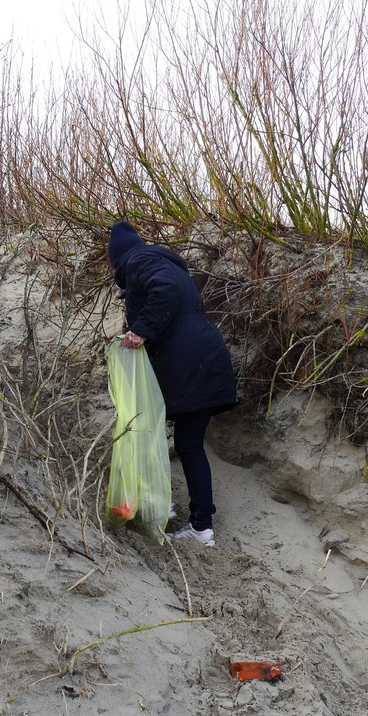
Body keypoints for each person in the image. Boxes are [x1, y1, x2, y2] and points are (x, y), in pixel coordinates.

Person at [108, 220, 238, 547]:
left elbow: (163, 290)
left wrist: (140, 330)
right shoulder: (166, 263)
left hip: (192, 366)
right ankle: (193, 521)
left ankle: (190, 521)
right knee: (186, 443)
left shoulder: (139, 260)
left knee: (178, 441)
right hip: (204, 361)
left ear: (118, 257)